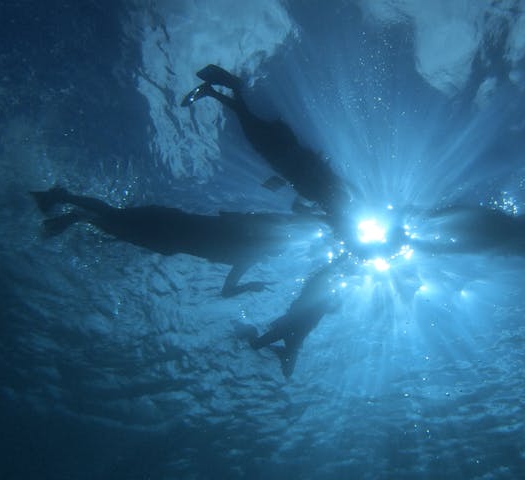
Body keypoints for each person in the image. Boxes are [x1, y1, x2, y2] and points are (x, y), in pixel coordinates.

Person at [30, 186, 327, 296]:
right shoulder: (246, 253)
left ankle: (69, 206)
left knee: (114, 220)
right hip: (167, 230)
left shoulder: (246, 253)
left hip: (168, 230)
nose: (273, 253)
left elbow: (229, 214)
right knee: (114, 220)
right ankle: (66, 202)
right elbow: (229, 289)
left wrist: (250, 284)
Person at [181, 64, 355, 240]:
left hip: (282, 149)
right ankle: (227, 88)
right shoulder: (335, 198)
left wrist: (322, 216)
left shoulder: (326, 198)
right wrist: (324, 217)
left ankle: (216, 90)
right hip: (280, 150)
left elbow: (300, 201)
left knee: (246, 120)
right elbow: (306, 194)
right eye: (337, 228)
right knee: (247, 122)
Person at [235, 255, 351, 378]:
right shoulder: (319, 289)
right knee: (268, 349)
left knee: (287, 363)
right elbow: (322, 280)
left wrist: (337, 299)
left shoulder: (326, 296)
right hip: (292, 324)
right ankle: (252, 332)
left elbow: (332, 308)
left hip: (298, 326)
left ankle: (276, 347)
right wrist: (338, 262)